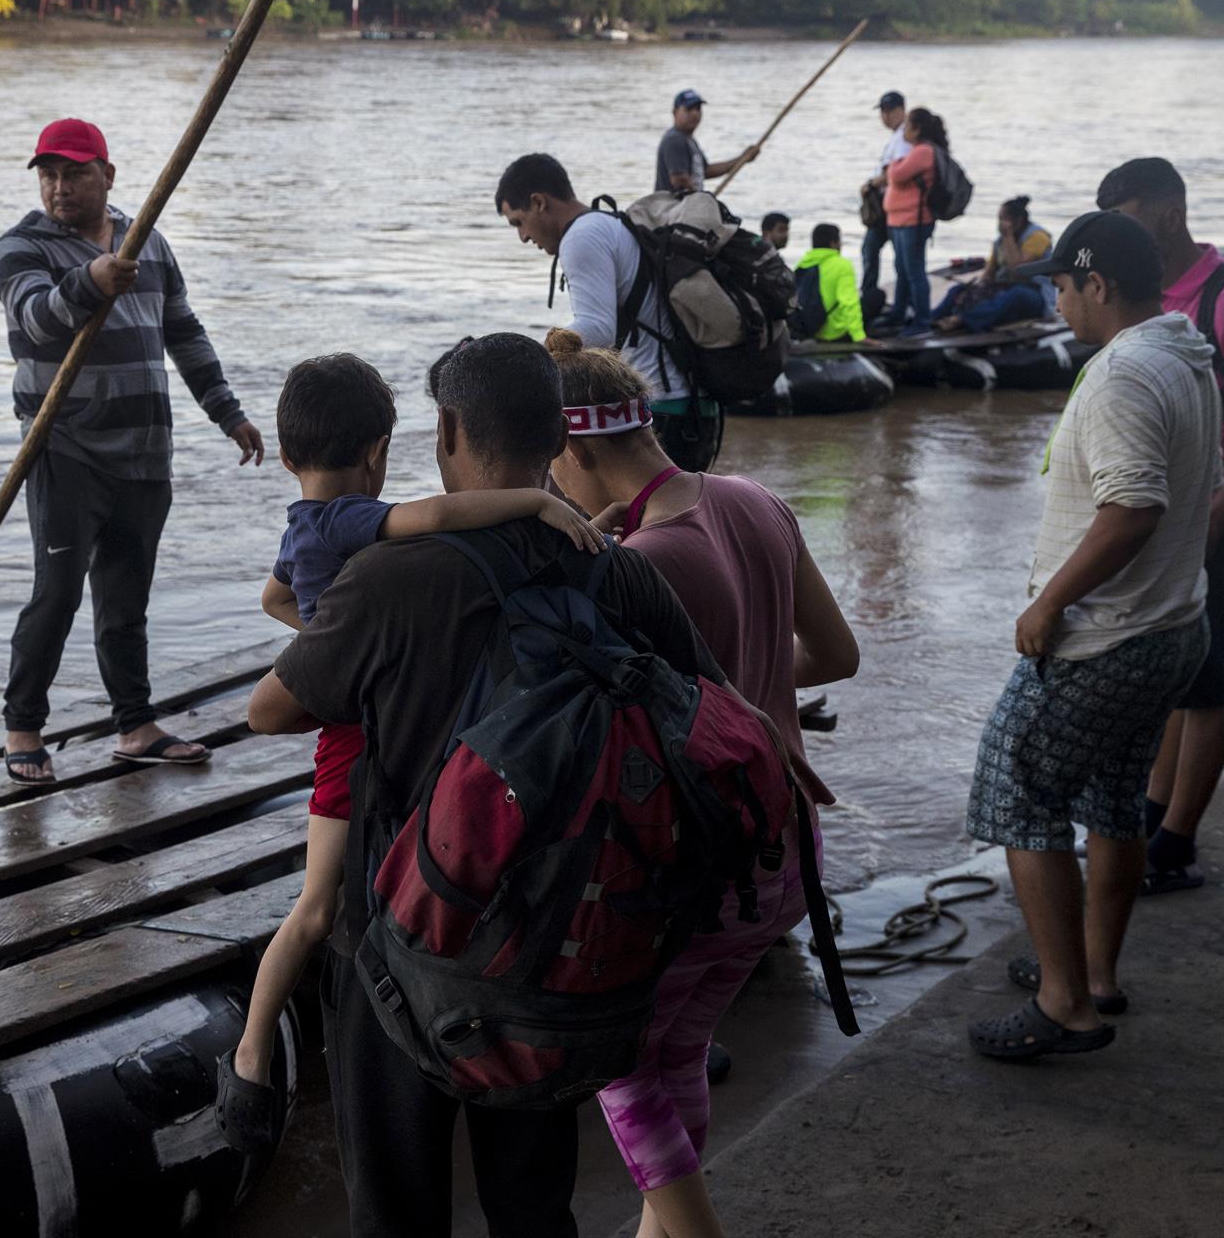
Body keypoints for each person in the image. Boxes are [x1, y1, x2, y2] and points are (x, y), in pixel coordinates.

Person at [245, 332, 735, 1238]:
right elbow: (712, 719)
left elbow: (272, 712)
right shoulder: (614, 565)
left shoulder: (389, 578)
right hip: (554, 939)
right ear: (559, 440)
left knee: (397, 1210)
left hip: (395, 945)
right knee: (534, 1206)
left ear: (445, 431)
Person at [216, 352, 603, 1141]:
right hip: (357, 745)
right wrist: (536, 500)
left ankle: (253, 1058)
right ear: (379, 451)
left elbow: (274, 596)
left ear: (285, 456)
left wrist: (337, 646)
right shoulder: (360, 521)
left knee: (317, 911)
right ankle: (252, 1054)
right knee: (318, 907)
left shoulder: (301, 524)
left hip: (343, 725)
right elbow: (427, 518)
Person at [543, 327, 858, 1238]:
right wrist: (740, 676)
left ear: (572, 448)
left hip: (706, 866)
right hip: (787, 851)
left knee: (623, 1071)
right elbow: (837, 655)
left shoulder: (639, 565)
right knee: (677, 1055)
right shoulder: (754, 499)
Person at [964, 211, 1218, 1060]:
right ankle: (1094, 974)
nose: (1060, 305)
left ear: (1095, 285)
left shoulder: (1120, 375)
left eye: (1062, 289)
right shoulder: (1185, 354)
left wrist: (1047, 606)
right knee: (1113, 802)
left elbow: (1133, 507)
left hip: (1107, 636)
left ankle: (1063, 1002)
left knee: (1016, 787)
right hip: (1174, 624)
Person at [0, 117, 266, 785]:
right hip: (66, 449)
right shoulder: (20, 247)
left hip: (145, 450)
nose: (59, 187)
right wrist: (92, 280)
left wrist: (227, 412)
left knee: (126, 596)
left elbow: (183, 331)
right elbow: (35, 318)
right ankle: (23, 727)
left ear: (106, 176)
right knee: (55, 595)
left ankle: (134, 724)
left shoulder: (148, 243)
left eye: (75, 173)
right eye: (49, 175)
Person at [1098, 157, 1224, 894]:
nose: (1122, 237)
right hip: (1159, 518)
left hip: (1212, 518)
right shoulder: (1148, 297)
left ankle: (1175, 844)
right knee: (1171, 679)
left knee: (1206, 683)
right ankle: (1154, 814)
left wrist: (1215, 521)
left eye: (1130, 219)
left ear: (1171, 215)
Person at [496, 152, 723, 471]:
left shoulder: (581, 237)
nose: (522, 237)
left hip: (661, 409)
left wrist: (526, 363)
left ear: (539, 202)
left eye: (518, 222)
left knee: (647, 520)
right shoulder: (609, 223)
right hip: (689, 404)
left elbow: (597, 328)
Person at [932, 196, 1055, 332]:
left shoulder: (1037, 237)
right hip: (1005, 288)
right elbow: (990, 272)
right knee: (957, 289)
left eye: (1003, 219)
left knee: (1015, 295)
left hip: (1034, 294)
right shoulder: (999, 242)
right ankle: (930, 319)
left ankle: (962, 320)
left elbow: (1018, 269)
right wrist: (976, 289)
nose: (1000, 224)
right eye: (999, 219)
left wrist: (1008, 236)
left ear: (1018, 221)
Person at [881, 107, 949, 335]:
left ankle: (922, 322)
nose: (904, 132)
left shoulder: (923, 151)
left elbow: (896, 175)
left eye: (908, 126)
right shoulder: (915, 150)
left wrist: (893, 164)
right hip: (900, 220)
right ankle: (898, 314)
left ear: (917, 129)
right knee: (902, 269)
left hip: (914, 221)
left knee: (914, 271)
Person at [860, 91, 912, 310]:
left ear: (901, 110)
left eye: (889, 111)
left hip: (897, 209)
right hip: (886, 207)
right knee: (870, 249)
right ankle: (869, 298)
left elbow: (894, 171)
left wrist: (871, 185)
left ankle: (902, 304)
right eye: (882, 111)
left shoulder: (904, 136)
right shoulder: (896, 136)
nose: (885, 116)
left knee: (901, 259)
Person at [655, 89, 761, 195]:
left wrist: (742, 159)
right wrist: (702, 201)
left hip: (687, 206)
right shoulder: (675, 139)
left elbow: (706, 171)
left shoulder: (688, 140)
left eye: (698, 109)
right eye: (689, 109)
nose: (695, 114)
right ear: (675, 112)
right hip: (672, 208)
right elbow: (679, 180)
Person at [795, 223, 868, 343]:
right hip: (834, 332)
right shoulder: (842, 264)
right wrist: (859, 335)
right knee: (876, 296)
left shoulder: (802, 264)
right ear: (833, 243)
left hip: (809, 329)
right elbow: (848, 301)